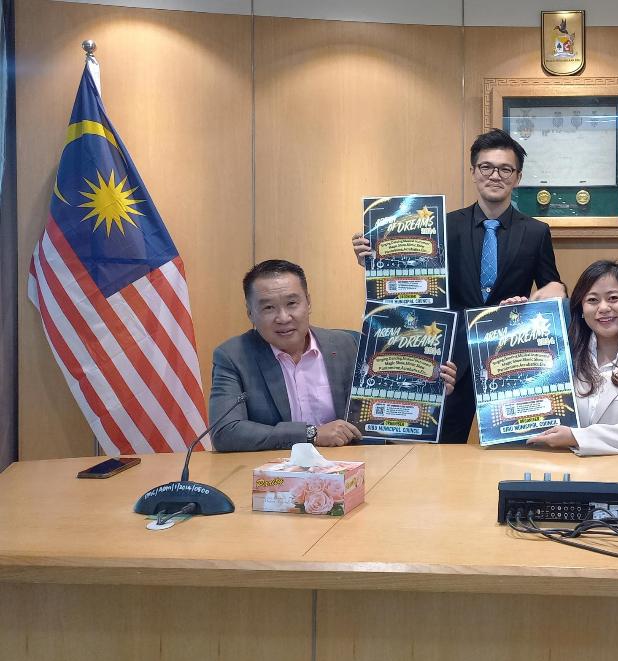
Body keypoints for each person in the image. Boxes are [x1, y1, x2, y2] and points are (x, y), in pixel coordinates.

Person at [353, 129, 565, 443]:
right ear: (473, 172)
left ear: (517, 177)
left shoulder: (535, 232)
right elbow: (417, 286)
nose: (495, 175)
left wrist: (556, 290)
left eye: (505, 169)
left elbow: (551, 285)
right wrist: (376, 262)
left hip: (507, 353)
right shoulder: (442, 225)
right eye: (486, 167)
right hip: (448, 357)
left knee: (517, 444)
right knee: (441, 444)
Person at [209, 259, 456, 452]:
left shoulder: (350, 344)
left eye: (292, 303)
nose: (283, 317)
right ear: (250, 313)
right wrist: (312, 434)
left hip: (353, 467)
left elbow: (387, 410)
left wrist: (426, 392)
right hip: (274, 475)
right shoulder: (233, 356)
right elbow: (226, 432)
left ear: (308, 303)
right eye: (268, 307)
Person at [526, 261, 618, 455]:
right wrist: (510, 318)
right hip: (564, 471)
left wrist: (577, 437)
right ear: (581, 309)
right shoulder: (559, 361)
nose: (604, 307)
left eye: (613, 298)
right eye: (592, 300)